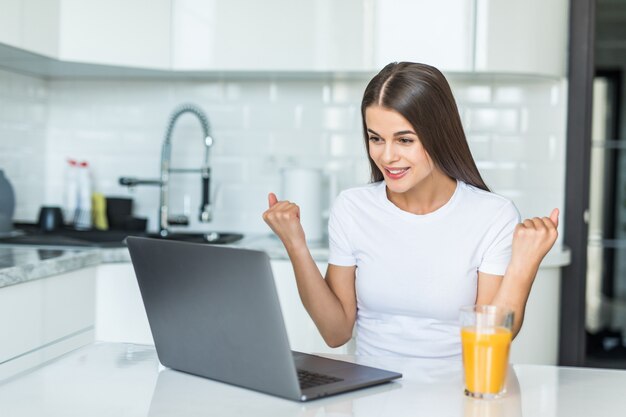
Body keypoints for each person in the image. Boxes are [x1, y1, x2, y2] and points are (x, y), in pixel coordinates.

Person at [262, 62, 559, 358]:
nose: (387, 156)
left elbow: (488, 345)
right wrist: (295, 244)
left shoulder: (493, 216)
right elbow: (335, 332)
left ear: (438, 135)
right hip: (369, 393)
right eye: (376, 138)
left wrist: (524, 264)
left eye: (404, 140)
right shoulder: (352, 208)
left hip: (454, 395)